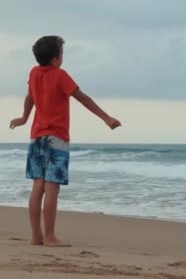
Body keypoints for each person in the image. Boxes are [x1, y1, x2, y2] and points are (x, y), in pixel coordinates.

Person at [10, 35, 121, 247]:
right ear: (55, 59)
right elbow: (83, 98)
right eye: (61, 53)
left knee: (38, 186)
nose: (62, 57)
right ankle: (50, 236)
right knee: (52, 188)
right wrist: (106, 118)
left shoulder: (34, 73)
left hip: (37, 137)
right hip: (56, 138)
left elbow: (29, 97)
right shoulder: (60, 75)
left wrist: (24, 118)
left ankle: (36, 236)